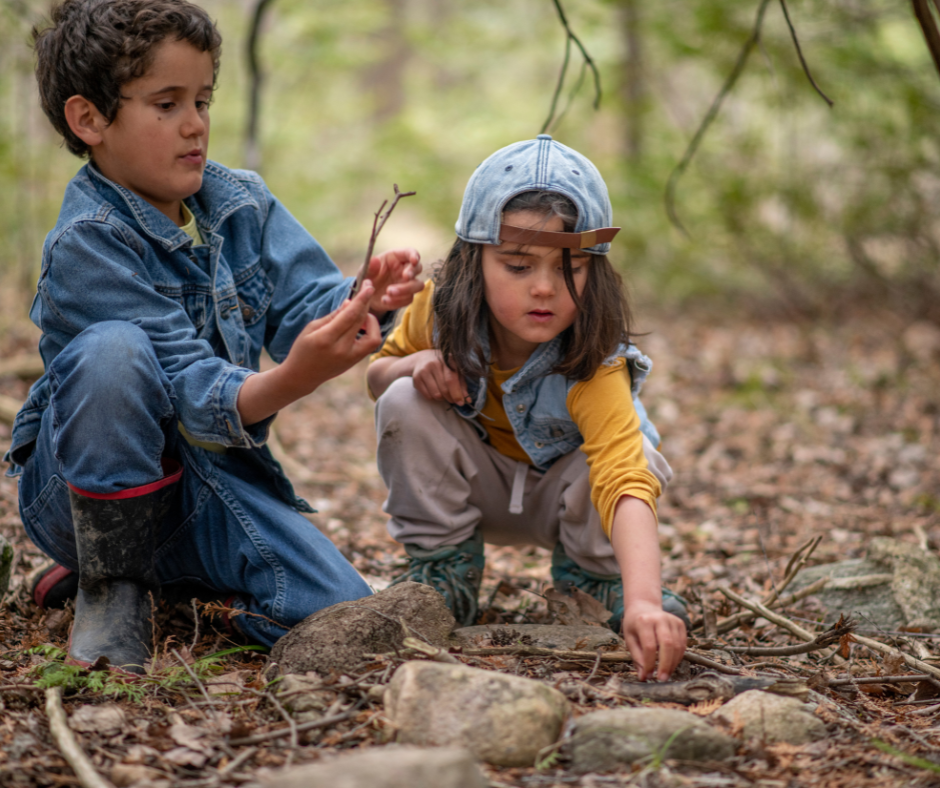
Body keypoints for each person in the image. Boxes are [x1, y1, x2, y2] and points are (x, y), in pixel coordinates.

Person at [4, 0, 423, 674]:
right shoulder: (87, 244)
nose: (195, 124)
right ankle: (108, 580)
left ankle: (184, 597)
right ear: (89, 119)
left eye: (202, 99)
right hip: (80, 494)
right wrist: (296, 378)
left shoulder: (241, 202)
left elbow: (305, 305)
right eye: (166, 103)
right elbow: (193, 389)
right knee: (115, 351)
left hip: (200, 484)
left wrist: (364, 298)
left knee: (334, 606)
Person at [367, 135, 687, 681]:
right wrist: (413, 362)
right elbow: (377, 376)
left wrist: (644, 601)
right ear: (474, 261)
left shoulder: (595, 360)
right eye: (518, 265)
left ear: (596, 271)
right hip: (475, 487)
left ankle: (592, 580)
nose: (545, 288)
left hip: (561, 504)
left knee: (633, 450)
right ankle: (444, 573)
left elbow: (621, 479)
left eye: (571, 268)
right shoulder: (439, 311)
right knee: (403, 397)